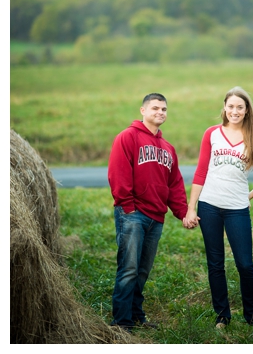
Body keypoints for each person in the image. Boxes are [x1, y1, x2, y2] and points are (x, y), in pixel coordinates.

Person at [183, 86, 253, 329]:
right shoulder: (212, 134)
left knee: (245, 264)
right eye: (231, 106)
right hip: (209, 205)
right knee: (215, 263)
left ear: (246, 111)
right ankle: (222, 315)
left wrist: (249, 196)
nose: (234, 111)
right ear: (224, 108)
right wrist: (191, 207)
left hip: (237, 208)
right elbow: (201, 171)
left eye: (240, 107)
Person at [108, 92, 189, 331]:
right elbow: (118, 174)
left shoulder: (168, 148)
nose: (160, 113)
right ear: (143, 110)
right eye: (155, 108)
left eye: (164, 109)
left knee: (142, 271)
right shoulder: (127, 137)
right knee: (129, 268)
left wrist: (182, 212)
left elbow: (174, 184)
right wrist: (129, 207)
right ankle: (121, 322)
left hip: (156, 217)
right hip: (133, 214)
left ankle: (135, 315)